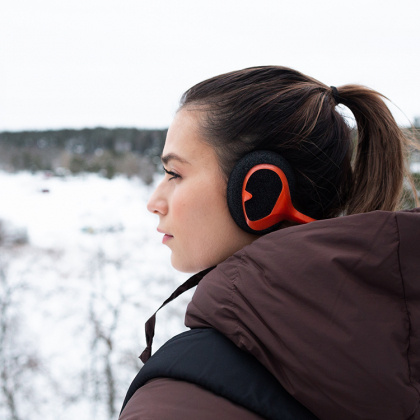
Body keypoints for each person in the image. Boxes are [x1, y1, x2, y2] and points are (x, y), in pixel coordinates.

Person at [119, 66, 420, 420]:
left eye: (174, 174)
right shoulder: (397, 336)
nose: (154, 201)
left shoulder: (174, 401)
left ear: (261, 190)